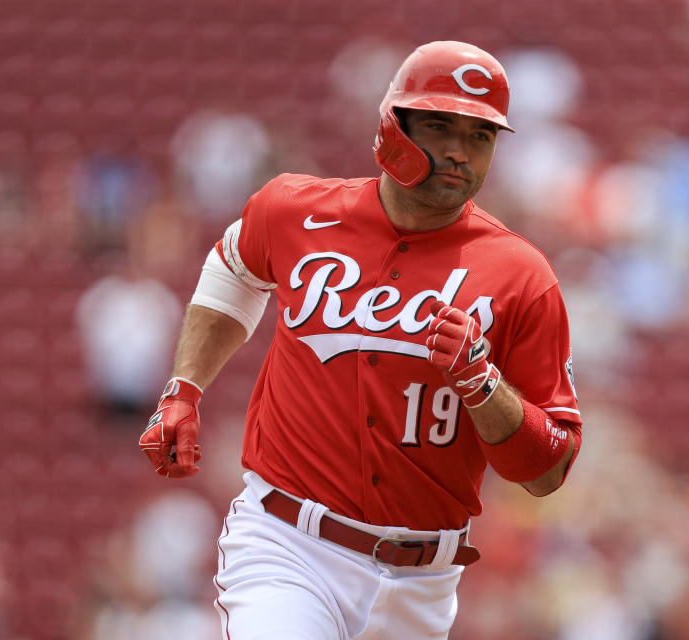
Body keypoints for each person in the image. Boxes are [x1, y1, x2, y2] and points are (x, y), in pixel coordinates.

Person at [139, 41, 583, 639]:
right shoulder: (295, 210)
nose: (459, 151)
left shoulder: (521, 274)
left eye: (480, 135)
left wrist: (484, 385)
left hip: (424, 584)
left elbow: (547, 470)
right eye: (439, 124)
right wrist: (184, 388)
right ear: (391, 125)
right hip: (288, 545)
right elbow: (234, 268)